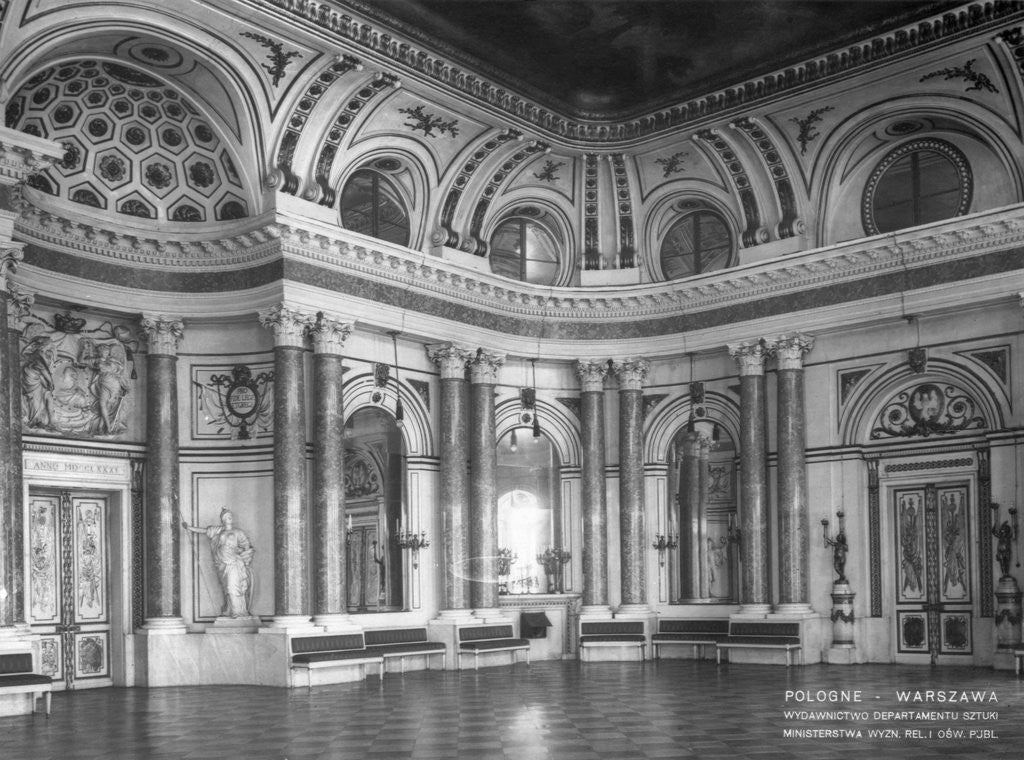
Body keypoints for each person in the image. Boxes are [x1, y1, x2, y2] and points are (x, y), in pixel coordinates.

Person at [182, 508, 255, 618]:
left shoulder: (237, 532)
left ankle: (238, 612)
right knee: (227, 588)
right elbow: (203, 531)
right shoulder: (218, 531)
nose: (229, 517)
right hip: (222, 564)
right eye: (226, 516)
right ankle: (232, 610)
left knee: (232, 586)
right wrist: (188, 527)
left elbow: (246, 545)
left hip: (234, 563)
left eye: (230, 515)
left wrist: (244, 554)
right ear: (223, 520)